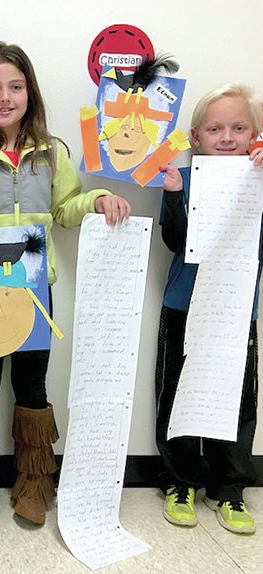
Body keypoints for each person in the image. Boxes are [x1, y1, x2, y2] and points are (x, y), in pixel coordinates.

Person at [0, 42, 131, 531]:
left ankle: (34, 482)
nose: (4, 97)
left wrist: (96, 199)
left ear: (30, 91)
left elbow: (65, 208)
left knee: (32, 385)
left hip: (35, 289)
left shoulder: (52, 152)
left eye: (15, 86)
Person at [156, 83, 263, 534]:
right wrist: (176, 193)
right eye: (215, 128)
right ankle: (180, 479)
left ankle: (230, 486)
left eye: (239, 128)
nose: (227, 137)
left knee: (236, 396)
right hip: (184, 305)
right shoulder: (188, 177)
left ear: (255, 134)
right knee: (178, 392)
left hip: (237, 311)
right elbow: (176, 241)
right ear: (197, 136)